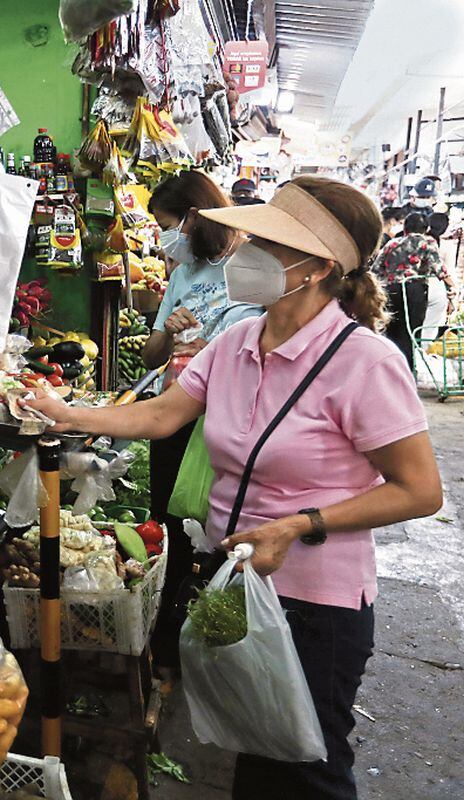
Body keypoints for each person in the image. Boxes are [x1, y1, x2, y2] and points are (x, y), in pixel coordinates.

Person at [24, 176, 443, 800]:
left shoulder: (366, 363)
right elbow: (163, 415)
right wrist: (66, 412)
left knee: (308, 766)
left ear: (318, 267)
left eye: (270, 245)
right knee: (257, 751)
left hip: (313, 605)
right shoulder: (239, 340)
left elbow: (419, 491)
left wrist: (300, 524)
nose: (247, 253)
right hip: (235, 583)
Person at [140, 171, 262, 666]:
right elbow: (151, 357)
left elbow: (261, 354)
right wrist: (168, 333)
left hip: (229, 422)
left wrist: (212, 347)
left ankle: (216, 636)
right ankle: (169, 634)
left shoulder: (253, 269)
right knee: (168, 520)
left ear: (195, 216)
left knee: (221, 527)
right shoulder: (181, 274)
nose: (167, 238)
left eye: (170, 225)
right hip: (175, 415)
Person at [373, 212, 454, 371]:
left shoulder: (392, 244)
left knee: (393, 330)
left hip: (391, 290)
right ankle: (407, 370)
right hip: (414, 290)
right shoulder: (427, 242)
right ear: (426, 229)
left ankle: (390, 368)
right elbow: (439, 268)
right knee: (410, 332)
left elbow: (376, 269)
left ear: (405, 228)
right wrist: (452, 286)